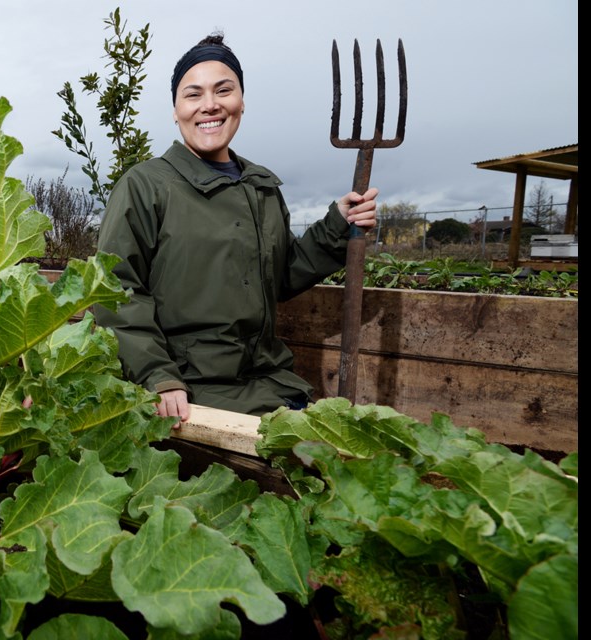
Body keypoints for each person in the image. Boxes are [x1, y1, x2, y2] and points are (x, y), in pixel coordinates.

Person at [93, 32, 378, 424]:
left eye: (223, 90)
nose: (209, 105)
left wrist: (336, 225)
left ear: (241, 102)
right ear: (175, 110)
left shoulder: (259, 187)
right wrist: (156, 375)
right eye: (193, 94)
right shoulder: (146, 185)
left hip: (268, 380)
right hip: (189, 389)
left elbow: (276, 277)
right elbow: (115, 290)